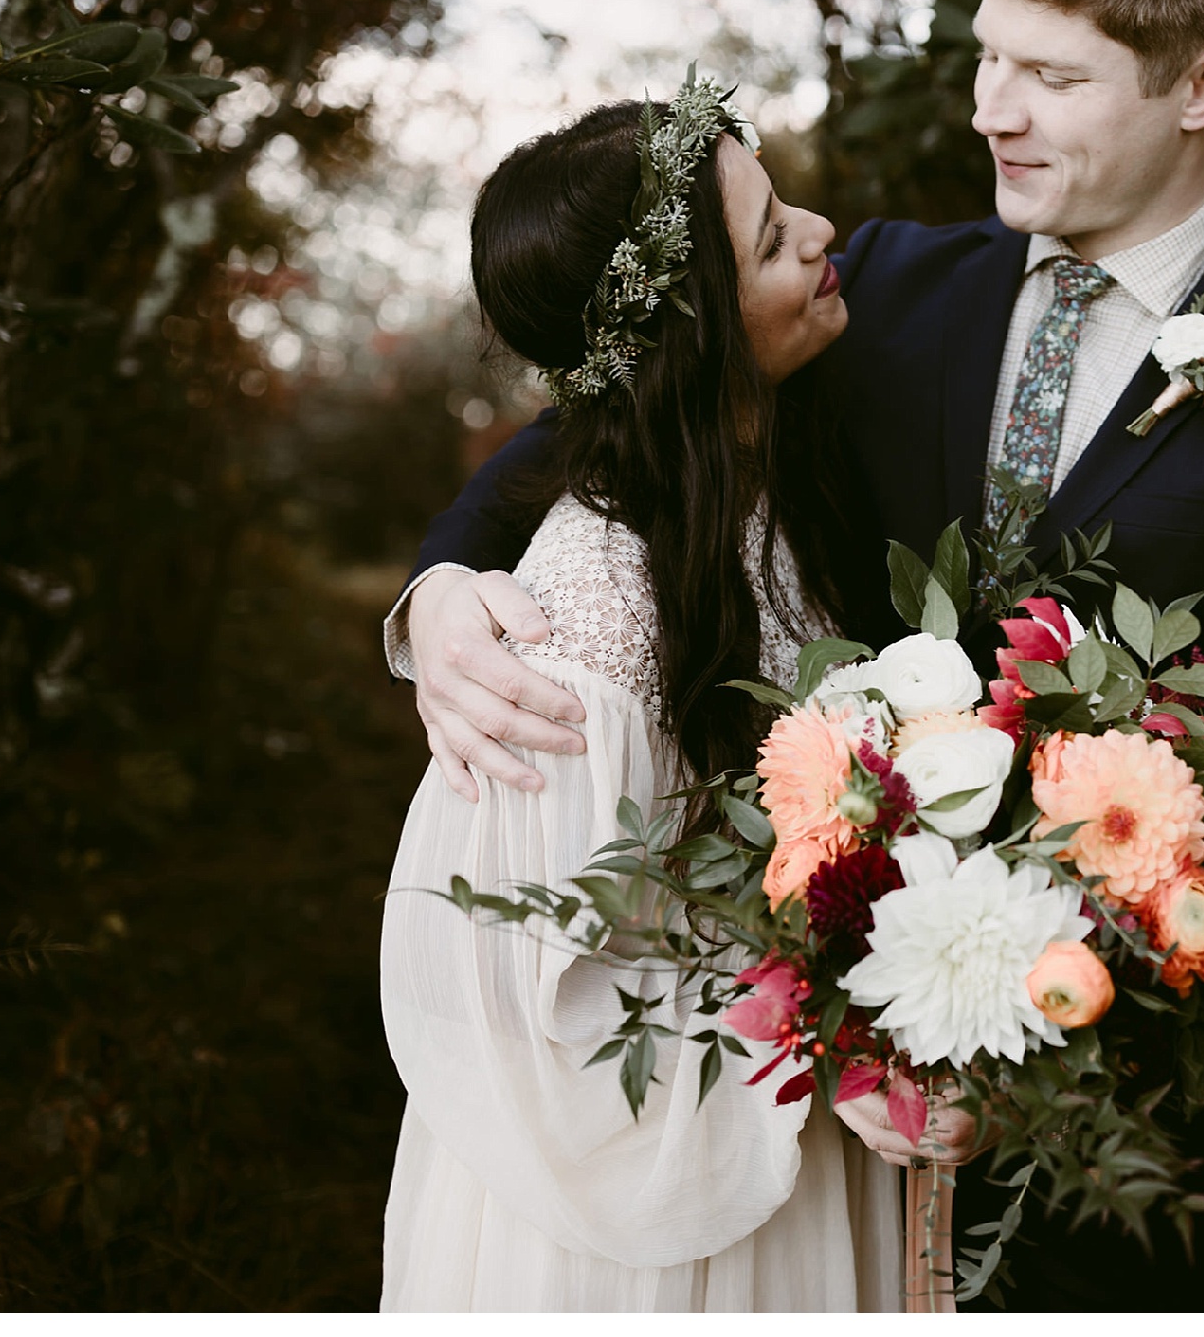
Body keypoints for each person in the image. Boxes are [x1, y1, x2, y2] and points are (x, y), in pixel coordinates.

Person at [386, 0, 1204, 1312]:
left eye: (1051, 77)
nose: (992, 110)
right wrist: (442, 586)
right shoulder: (882, 282)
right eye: (988, 55)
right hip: (798, 1163)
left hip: (1100, 1174)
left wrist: (1028, 1020)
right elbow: (621, 412)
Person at [377, 83, 977, 1313]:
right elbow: (513, 991)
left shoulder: (763, 497)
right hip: (654, 1224)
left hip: (804, 1155)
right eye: (769, 237)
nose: (823, 233)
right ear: (692, 331)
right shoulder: (581, 621)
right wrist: (830, 1043)